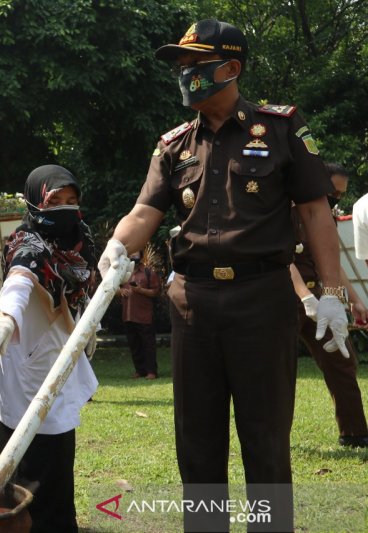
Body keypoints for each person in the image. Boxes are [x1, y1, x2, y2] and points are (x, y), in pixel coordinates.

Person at [96, 19, 349, 531]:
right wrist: (115, 248)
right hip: (192, 301)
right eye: (182, 66)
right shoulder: (173, 144)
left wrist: (334, 292)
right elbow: (146, 210)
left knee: (266, 438)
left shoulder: (281, 128)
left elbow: (317, 211)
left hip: (263, 297)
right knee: (197, 441)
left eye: (195, 65)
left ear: (230, 68)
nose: (184, 75)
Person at [0, 165, 98, 533]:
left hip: (60, 358)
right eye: (54, 201)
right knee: (26, 462)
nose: (64, 209)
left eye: (71, 201)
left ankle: (59, 524)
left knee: (59, 457)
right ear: (34, 202)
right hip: (24, 361)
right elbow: (20, 279)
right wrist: (5, 320)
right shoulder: (25, 241)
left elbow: (86, 282)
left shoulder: (81, 237)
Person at [290, 162, 368, 448]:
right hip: (283, 299)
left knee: (342, 360)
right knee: (276, 371)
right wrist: (304, 297)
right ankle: (270, 439)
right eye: (332, 192)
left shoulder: (325, 217)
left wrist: (355, 300)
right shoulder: (282, 209)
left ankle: (355, 433)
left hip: (321, 299)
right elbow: (281, 259)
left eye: (339, 196)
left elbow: (331, 263)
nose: (335, 200)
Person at [118, 250, 161, 379]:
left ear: (141, 257)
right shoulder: (123, 273)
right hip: (128, 315)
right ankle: (139, 370)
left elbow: (156, 292)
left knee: (148, 344)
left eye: (136, 254)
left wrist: (140, 290)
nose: (133, 257)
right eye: (131, 254)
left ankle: (151, 372)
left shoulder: (148, 272)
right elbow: (113, 289)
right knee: (134, 345)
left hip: (144, 315)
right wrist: (120, 291)